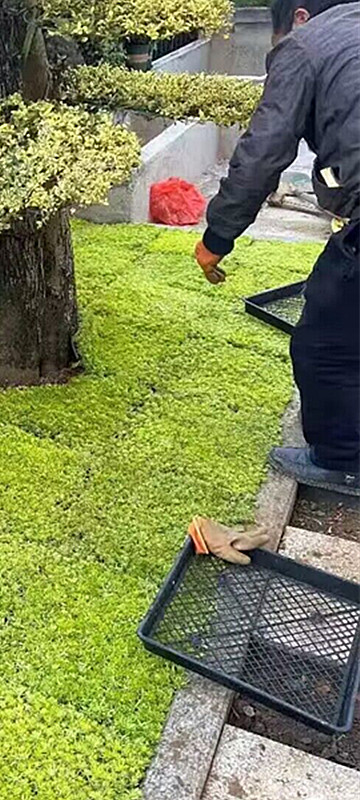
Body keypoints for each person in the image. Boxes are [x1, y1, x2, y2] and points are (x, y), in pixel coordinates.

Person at [195, 0, 360, 496]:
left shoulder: (305, 48)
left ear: (300, 16)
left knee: (323, 342)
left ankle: (341, 460)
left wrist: (217, 236)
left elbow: (262, 153)